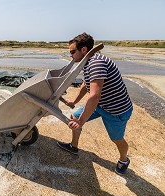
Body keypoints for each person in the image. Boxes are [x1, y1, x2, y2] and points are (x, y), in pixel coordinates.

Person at [57, 32, 133, 175]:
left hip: (116, 110)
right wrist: (75, 101)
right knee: (75, 115)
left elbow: (94, 95)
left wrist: (81, 122)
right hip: (101, 105)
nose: (71, 55)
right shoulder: (88, 61)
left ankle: (124, 160)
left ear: (84, 50)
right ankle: (74, 146)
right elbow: (86, 85)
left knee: (116, 138)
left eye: (73, 51)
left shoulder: (96, 62)